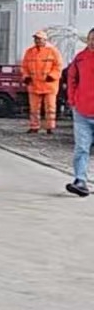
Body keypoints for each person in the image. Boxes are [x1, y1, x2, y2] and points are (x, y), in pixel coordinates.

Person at [65, 28, 94, 197]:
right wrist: (72, 101)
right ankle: (80, 181)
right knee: (82, 148)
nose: (93, 42)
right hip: (82, 112)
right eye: (91, 39)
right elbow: (72, 79)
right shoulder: (80, 59)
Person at [21, 30, 64, 134]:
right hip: (34, 84)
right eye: (36, 38)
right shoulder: (29, 52)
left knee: (50, 108)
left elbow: (58, 66)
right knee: (34, 108)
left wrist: (52, 76)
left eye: (39, 39)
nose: (37, 40)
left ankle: (50, 127)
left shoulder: (53, 51)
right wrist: (26, 77)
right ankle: (34, 126)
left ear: (45, 40)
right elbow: (24, 66)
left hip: (49, 84)